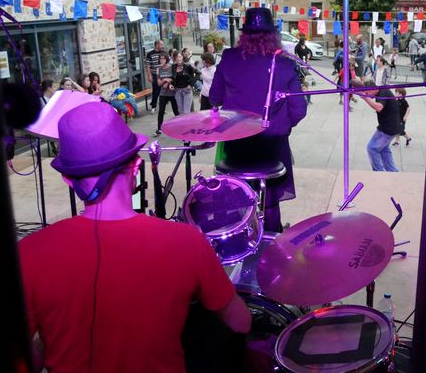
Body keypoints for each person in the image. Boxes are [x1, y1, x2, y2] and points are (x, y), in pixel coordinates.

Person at [18, 101, 251, 373]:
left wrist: (50, 340)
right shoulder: (187, 241)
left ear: (68, 180)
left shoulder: (27, 253)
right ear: (137, 165)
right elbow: (240, 322)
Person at [209, 8, 307, 232]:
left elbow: (214, 97)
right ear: (274, 35)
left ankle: (240, 235)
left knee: (238, 192)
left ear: (244, 34)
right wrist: (279, 125)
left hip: (237, 141)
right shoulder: (284, 64)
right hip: (272, 142)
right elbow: (299, 109)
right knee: (269, 196)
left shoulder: (229, 58)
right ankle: (270, 234)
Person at [357, 79, 400, 172]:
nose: (367, 94)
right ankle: (392, 171)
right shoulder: (382, 91)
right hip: (391, 127)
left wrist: (364, 97)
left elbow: (379, 107)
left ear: (372, 89)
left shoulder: (382, 93)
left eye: (367, 92)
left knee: (372, 148)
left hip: (387, 129)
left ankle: (378, 172)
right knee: (384, 149)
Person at [154, 51, 179, 136]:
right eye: (160, 59)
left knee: (176, 111)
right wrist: (165, 80)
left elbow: (174, 79)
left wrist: (168, 83)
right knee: (161, 111)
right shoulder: (159, 69)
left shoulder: (172, 67)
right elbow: (159, 83)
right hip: (163, 93)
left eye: (163, 58)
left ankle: (180, 127)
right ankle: (159, 129)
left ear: (167, 59)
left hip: (173, 93)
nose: (162, 60)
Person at [145, 40, 165, 112]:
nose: (162, 46)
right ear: (157, 45)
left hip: (163, 74)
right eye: (161, 44)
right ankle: (153, 106)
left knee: (163, 91)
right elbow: (148, 66)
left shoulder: (163, 53)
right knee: (156, 91)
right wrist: (149, 75)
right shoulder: (150, 54)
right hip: (155, 75)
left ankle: (162, 107)